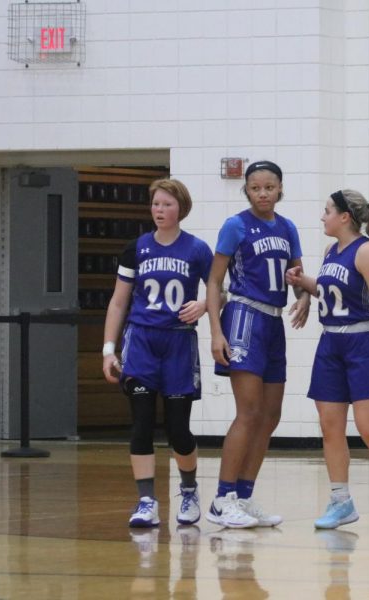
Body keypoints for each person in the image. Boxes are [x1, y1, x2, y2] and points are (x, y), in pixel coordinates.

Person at [285, 189, 369, 529]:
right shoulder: (331, 251)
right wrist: (305, 284)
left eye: (327, 210)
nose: (322, 216)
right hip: (330, 344)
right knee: (330, 427)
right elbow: (333, 292)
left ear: (345, 217)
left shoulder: (368, 252)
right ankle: (341, 500)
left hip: (363, 343)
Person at [102, 178, 212, 528]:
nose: (159, 210)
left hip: (179, 342)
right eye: (155, 204)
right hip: (142, 342)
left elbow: (219, 288)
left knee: (178, 428)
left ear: (181, 208)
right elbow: (119, 301)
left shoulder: (196, 250)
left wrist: (205, 305)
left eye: (166, 204)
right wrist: (108, 349)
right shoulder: (136, 248)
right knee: (142, 423)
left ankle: (190, 490)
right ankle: (146, 500)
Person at [207, 161, 310, 528]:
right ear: (246, 191)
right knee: (248, 412)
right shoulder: (235, 225)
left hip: (273, 320)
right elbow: (214, 282)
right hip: (244, 317)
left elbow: (296, 276)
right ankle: (222, 498)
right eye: (255, 187)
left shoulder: (287, 228)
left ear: (280, 189)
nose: (263, 193)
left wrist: (303, 296)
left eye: (269, 187)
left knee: (270, 415)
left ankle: (245, 496)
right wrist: (216, 332)